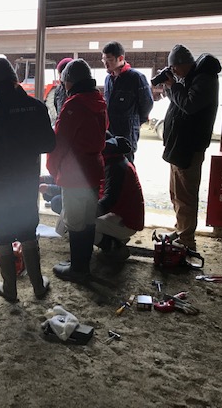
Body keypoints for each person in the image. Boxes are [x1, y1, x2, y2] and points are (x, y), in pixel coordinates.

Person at [0, 57, 55, 302]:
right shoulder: (36, 106)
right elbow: (49, 143)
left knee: (1, 230)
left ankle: (10, 289)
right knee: (27, 229)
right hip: (26, 181)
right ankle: (38, 286)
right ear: (15, 79)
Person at [47, 59, 108, 283]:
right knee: (88, 221)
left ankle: (78, 269)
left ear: (69, 81)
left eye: (64, 82)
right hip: (93, 169)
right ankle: (83, 265)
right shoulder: (98, 100)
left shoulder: (73, 104)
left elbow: (60, 141)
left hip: (74, 173)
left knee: (74, 222)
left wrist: (52, 168)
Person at [161, 44, 220, 250]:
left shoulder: (204, 78)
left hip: (189, 146)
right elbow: (179, 102)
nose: (173, 71)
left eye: (174, 67)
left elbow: (189, 105)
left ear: (183, 64)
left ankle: (186, 240)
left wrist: (174, 86)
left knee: (185, 196)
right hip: (179, 145)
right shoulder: (191, 77)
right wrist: (171, 86)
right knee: (176, 194)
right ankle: (181, 230)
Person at [95, 133, 145, 261]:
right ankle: (113, 239)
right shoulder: (114, 159)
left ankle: (113, 246)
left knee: (81, 223)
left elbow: (109, 200)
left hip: (126, 221)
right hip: (121, 216)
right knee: (74, 213)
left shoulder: (115, 167)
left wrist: (85, 213)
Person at [101, 41, 154, 164]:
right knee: (109, 164)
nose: (105, 64)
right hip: (110, 130)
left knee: (126, 165)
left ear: (120, 58)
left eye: (109, 60)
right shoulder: (108, 78)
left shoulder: (136, 77)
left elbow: (147, 103)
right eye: (104, 60)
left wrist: (135, 121)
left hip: (127, 131)